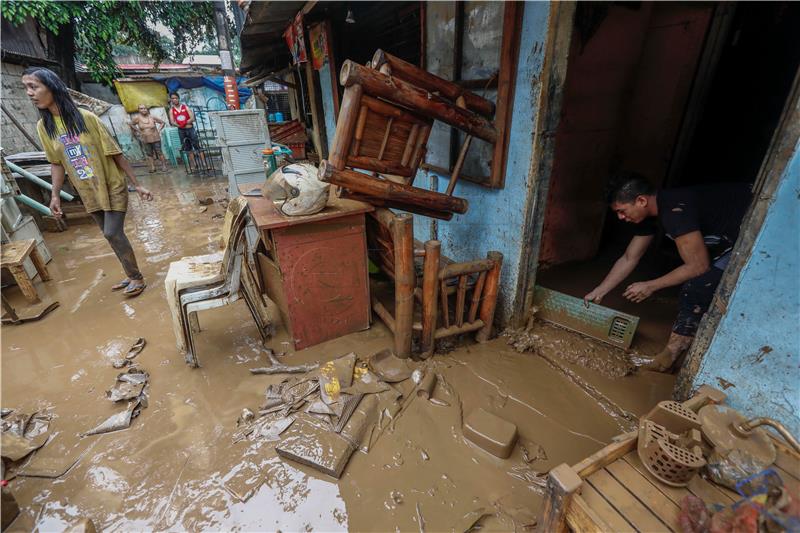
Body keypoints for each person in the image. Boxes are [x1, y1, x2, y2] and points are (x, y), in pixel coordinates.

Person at [584, 172, 752, 372]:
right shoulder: (649, 217)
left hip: (753, 228)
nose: (621, 217)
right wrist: (600, 290)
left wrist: (650, 286)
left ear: (641, 201)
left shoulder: (675, 211)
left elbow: (698, 266)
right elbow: (630, 257)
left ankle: (670, 356)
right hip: (727, 235)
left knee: (698, 286)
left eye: (622, 210)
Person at [22, 67, 153, 297]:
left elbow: (115, 153)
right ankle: (129, 273)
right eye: (26, 88)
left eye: (34, 86)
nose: (29, 93)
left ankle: (136, 277)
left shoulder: (86, 118)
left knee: (113, 232)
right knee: (108, 234)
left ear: (51, 87)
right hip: (87, 190)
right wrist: (54, 196)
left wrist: (137, 184)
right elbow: (56, 163)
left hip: (110, 183)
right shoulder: (44, 127)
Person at [168, 92, 206, 171]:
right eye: (172, 98)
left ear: (178, 98)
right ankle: (194, 164)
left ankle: (204, 163)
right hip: (181, 130)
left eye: (175, 98)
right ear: (171, 100)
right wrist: (180, 126)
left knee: (197, 146)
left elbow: (192, 118)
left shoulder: (185, 107)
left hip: (190, 129)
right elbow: (172, 122)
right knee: (187, 148)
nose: (174, 100)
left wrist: (184, 123)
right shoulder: (171, 110)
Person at [131, 104, 167, 173]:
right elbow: (131, 124)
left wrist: (158, 130)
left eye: (145, 108)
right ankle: (153, 167)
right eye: (141, 108)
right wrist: (138, 131)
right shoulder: (137, 118)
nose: (143, 110)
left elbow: (162, 123)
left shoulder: (152, 117)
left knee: (159, 152)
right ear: (139, 110)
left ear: (147, 109)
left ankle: (164, 165)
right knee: (149, 153)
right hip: (145, 138)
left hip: (155, 137)